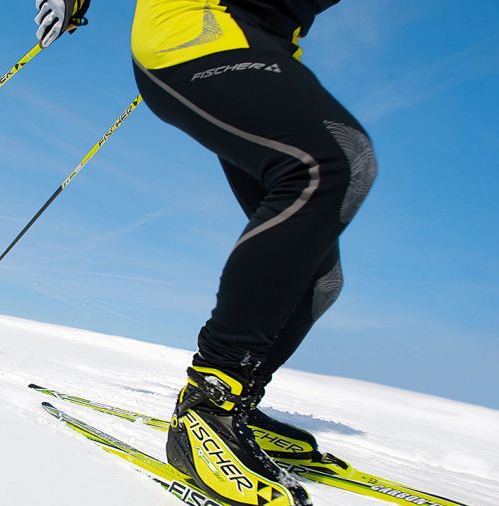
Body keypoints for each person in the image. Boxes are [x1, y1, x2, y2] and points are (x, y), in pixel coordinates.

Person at [35, 1, 377, 505]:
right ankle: (209, 402)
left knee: (319, 278)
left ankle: (236, 405)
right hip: (198, 25)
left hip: (265, 46)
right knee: (332, 161)